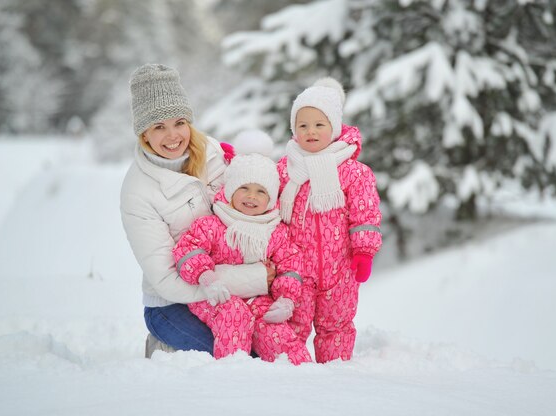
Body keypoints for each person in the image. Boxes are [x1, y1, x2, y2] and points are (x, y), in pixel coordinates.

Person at [120, 63, 271, 358]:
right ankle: (164, 344)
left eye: (179, 122)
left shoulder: (212, 153)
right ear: (144, 134)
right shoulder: (138, 191)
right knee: (240, 356)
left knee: (269, 344)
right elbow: (166, 279)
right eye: (159, 127)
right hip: (172, 304)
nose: (173, 135)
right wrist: (254, 279)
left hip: (232, 292)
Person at [172, 130, 312, 365]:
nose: (251, 197)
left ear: (271, 198)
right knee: (234, 315)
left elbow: (290, 264)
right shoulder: (213, 224)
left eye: (260, 191)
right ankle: (233, 374)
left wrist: (286, 298)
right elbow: (188, 250)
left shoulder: (274, 231)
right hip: (216, 297)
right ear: (230, 190)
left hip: (257, 300)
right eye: (244, 188)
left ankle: (301, 375)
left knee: (273, 328)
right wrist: (205, 275)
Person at [277, 77, 383, 363]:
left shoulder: (353, 172)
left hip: (341, 269)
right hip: (296, 270)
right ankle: (290, 379)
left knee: (336, 327)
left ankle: (335, 382)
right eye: (303, 125)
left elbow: (365, 213)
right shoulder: (285, 171)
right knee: (292, 327)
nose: (310, 131)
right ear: (294, 130)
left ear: (334, 128)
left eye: (319, 125)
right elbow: (256, 196)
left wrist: (364, 252)